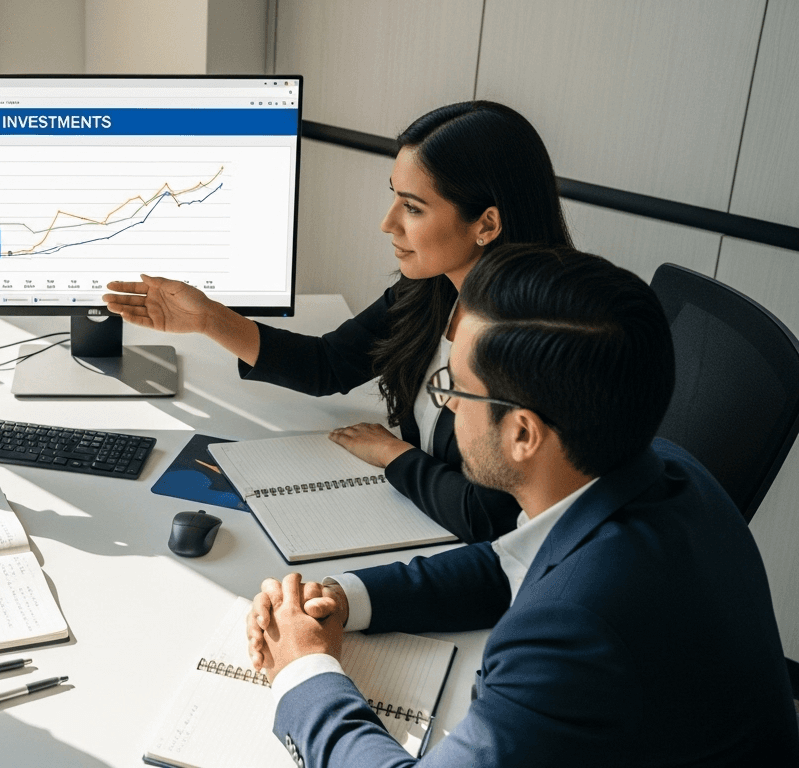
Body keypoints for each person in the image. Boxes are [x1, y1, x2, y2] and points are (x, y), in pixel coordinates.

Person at [245, 245, 799, 766]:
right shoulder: (668, 465)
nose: (446, 404)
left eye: (455, 387)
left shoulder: (572, 628)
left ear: (523, 434)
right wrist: (347, 598)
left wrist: (304, 670)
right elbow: (511, 560)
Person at [104, 101, 572, 543]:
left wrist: (394, 455)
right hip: (411, 515)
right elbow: (329, 364)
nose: (388, 223)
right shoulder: (433, 289)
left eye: (412, 207)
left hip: (464, 550)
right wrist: (209, 319)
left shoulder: (538, 339)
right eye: (395, 198)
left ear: (486, 224)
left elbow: (487, 515)